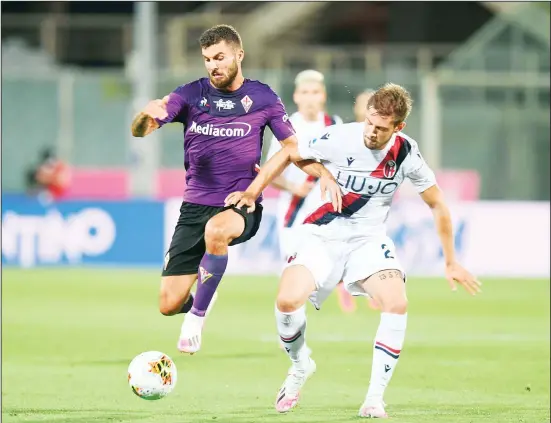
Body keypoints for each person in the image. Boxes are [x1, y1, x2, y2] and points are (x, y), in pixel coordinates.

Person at [225, 83, 482, 418]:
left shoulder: (406, 154)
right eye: (370, 123)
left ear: (398, 127)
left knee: (397, 303)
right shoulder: (341, 136)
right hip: (322, 234)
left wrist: (451, 261)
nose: (371, 133)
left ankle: (374, 399)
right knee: (287, 302)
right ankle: (301, 365)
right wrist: (258, 190)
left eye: (381, 128)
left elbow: (438, 205)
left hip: (368, 240)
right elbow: (290, 152)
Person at [130, 24, 341, 354]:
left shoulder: (263, 98)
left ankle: (195, 320)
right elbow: (141, 131)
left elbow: (292, 149)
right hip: (193, 208)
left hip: (240, 204)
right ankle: (206, 292)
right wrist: (144, 116)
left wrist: (322, 174)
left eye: (219, 57)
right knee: (168, 304)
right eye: (207, 59)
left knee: (217, 231)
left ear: (238, 55)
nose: (213, 65)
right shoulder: (190, 94)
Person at [265, 70, 357, 313]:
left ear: (323, 95)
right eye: (305, 92)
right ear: (296, 96)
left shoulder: (335, 125)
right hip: (294, 209)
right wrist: (294, 187)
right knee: (292, 266)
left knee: (330, 256)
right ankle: (292, 319)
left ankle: (339, 283)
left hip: (327, 207)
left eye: (315, 92)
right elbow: (269, 172)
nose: (310, 98)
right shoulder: (285, 127)